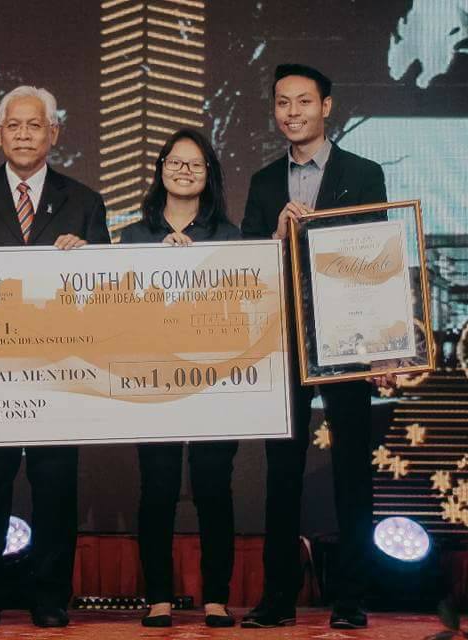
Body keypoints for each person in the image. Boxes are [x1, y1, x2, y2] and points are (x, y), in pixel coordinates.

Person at [0, 85, 110, 629]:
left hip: (59, 368)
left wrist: (88, 260)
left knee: (55, 481)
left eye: (34, 125)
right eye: (12, 125)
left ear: (53, 133)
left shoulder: (84, 201)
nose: (23, 134)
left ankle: (51, 595)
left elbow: (105, 291)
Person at [240, 63, 387, 630]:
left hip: (348, 338)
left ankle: (350, 599)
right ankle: (277, 598)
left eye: (304, 101)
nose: (292, 112)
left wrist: (384, 345)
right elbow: (246, 272)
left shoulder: (364, 173)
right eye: (283, 102)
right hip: (283, 342)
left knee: (352, 469)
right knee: (282, 471)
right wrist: (275, 239)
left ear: (326, 107)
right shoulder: (262, 183)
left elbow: (377, 257)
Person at [121, 128, 239, 628]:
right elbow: (119, 312)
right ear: (161, 168)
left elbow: (241, 310)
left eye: (195, 164)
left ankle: (216, 597)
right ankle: (158, 598)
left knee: (213, 489)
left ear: (209, 173)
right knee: (158, 489)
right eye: (175, 162)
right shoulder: (133, 237)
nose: (184, 171)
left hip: (214, 384)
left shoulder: (229, 237)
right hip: (154, 381)